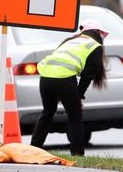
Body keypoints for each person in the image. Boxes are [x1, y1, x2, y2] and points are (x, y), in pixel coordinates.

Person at [29, 19, 109, 156]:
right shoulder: (94, 46)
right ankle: (77, 153)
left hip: (45, 77)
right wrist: (78, 97)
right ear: (96, 32)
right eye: (102, 33)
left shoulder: (71, 41)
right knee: (74, 115)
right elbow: (88, 76)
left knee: (48, 112)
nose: (103, 37)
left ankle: (34, 148)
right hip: (64, 78)